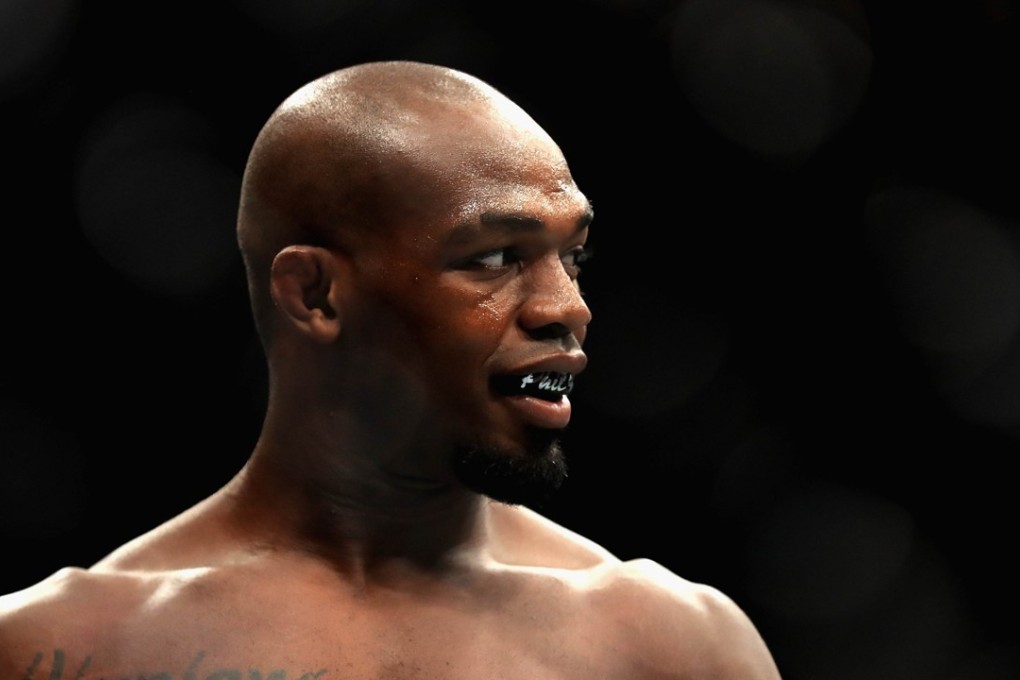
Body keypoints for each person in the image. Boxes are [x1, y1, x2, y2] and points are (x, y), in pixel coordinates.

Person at [0, 60, 782, 679]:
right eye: (497, 257)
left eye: (571, 255)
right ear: (316, 293)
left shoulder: (672, 651)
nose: (566, 306)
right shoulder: (63, 651)